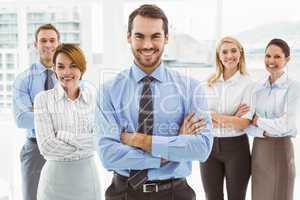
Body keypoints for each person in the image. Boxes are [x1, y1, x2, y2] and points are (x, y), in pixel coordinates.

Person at [96, 4, 213, 200]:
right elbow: (108, 155)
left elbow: (201, 148)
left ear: (167, 37)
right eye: (139, 36)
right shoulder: (108, 91)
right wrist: (170, 150)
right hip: (122, 193)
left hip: (176, 193)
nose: (147, 45)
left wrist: (138, 140)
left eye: (155, 36)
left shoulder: (191, 88)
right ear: (128, 37)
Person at [34, 43, 101, 200]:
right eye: (61, 66)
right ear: (54, 70)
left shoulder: (94, 98)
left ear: (82, 69)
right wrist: (84, 143)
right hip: (54, 182)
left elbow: (100, 140)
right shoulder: (43, 100)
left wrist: (63, 136)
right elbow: (47, 147)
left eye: (73, 66)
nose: (66, 72)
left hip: (87, 180)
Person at [200, 36, 253, 200]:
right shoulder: (208, 83)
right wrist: (232, 118)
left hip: (237, 149)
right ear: (218, 55)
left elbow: (244, 123)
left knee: (237, 197)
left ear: (240, 53)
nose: (229, 56)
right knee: (212, 197)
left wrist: (215, 116)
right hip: (209, 148)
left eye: (233, 51)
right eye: (225, 52)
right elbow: (201, 120)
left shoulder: (248, 84)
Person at [248, 38, 299, 200]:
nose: (271, 61)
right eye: (268, 56)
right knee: (259, 195)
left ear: (287, 59)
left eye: (277, 57)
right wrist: (264, 127)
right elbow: (247, 124)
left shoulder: (293, 87)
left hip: (280, 149)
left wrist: (258, 121)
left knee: (280, 195)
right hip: (258, 149)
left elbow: (287, 125)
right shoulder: (258, 88)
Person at [12, 23, 60, 200]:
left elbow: (80, 113)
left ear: (58, 43)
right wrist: (60, 112)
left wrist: (38, 108)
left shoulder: (70, 76)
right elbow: (22, 119)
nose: (48, 45)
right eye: (43, 40)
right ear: (36, 45)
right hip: (35, 150)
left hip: (64, 148)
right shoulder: (23, 79)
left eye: (52, 40)